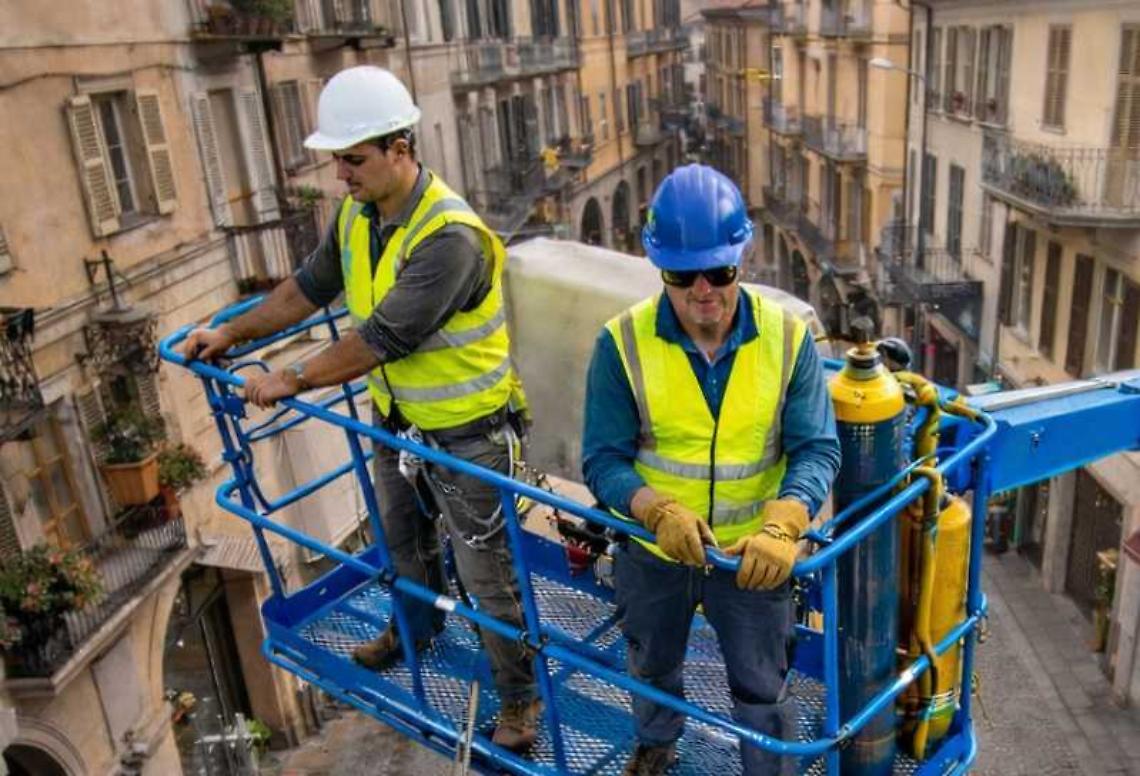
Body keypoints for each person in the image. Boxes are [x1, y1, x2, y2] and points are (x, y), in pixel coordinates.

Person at [178, 66, 540, 751]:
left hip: (469, 436)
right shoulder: (358, 216)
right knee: (401, 543)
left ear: (400, 149)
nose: (340, 175)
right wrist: (230, 332)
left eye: (353, 159)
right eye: (336, 160)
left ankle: (519, 698)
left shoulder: (449, 238)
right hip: (399, 424)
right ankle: (416, 629)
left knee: (484, 574)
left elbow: (382, 337)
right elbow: (307, 289)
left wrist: (291, 376)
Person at [581, 164, 841, 775]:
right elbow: (603, 460)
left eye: (719, 272)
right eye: (682, 274)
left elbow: (817, 449)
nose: (703, 289)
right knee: (652, 662)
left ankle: (767, 770)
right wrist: (655, 510)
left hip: (754, 557)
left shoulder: (787, 339)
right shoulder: (620, 345)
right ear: (660, 269)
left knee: (761, 682)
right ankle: (656, 744)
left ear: (742, 261)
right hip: (655, 553)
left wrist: (786, 522)